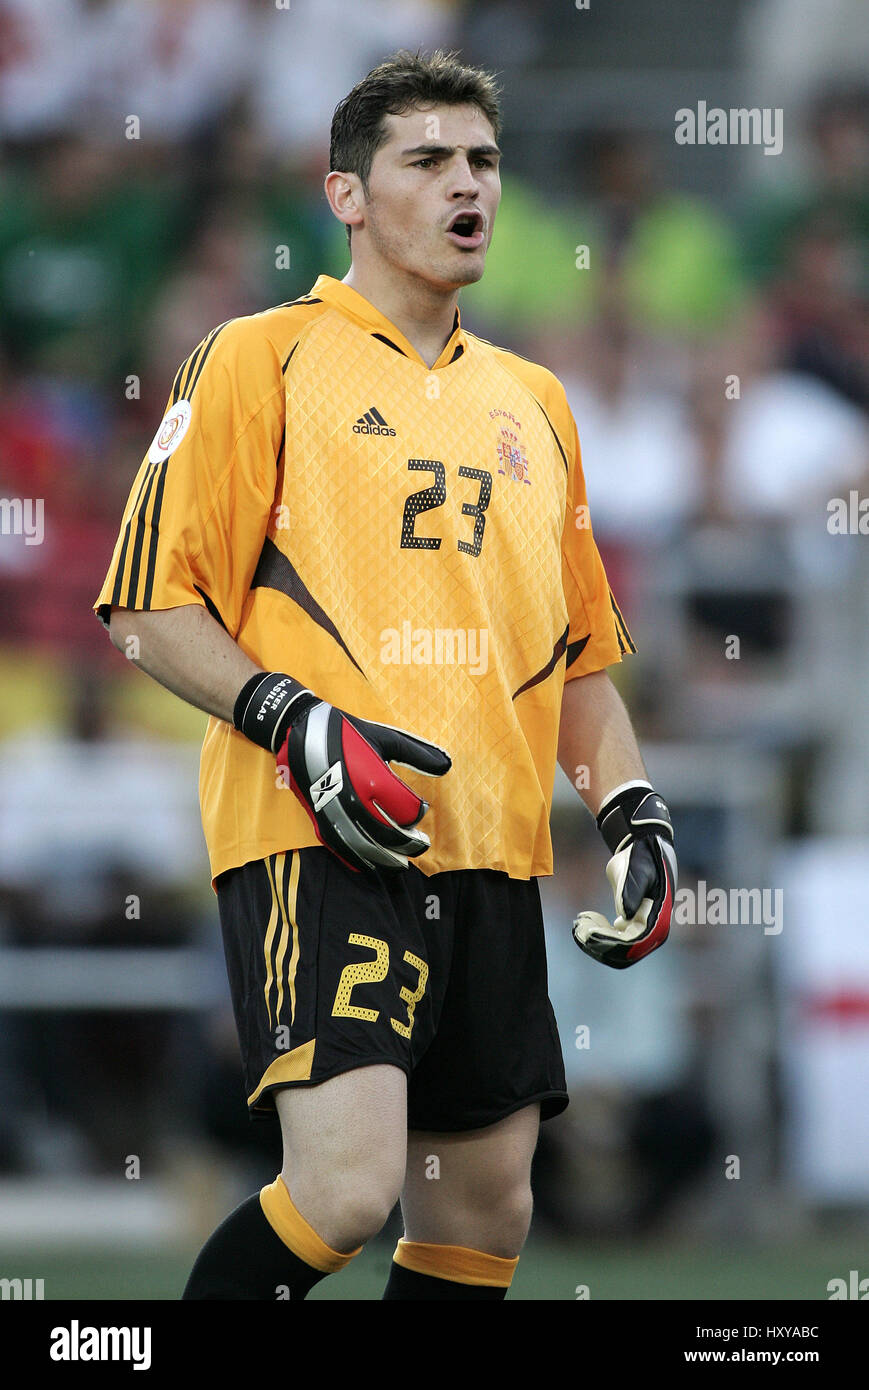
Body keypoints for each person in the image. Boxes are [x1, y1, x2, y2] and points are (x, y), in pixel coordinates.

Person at [94, 49, 676, 1302]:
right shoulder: (260, 357)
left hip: (492, 852)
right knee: (348, 1189)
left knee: (486, 1212)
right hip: (323, 833)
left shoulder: (536, 402)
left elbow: (580, 661)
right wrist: (290, 719)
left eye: (482, 162)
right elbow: (144, 604)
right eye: (425, 161)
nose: (466, 185)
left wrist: (630, 809)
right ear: (346, 195)